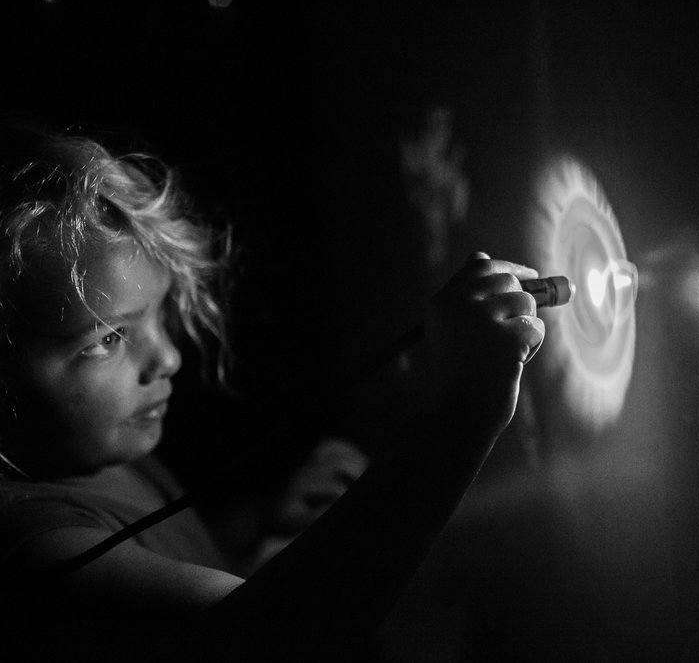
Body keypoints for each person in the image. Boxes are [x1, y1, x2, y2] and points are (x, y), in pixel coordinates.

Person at [0, 126, 544, 660]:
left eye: (158, 316)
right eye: (109, 338)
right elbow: (271, 639)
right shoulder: (34, 551)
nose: (167, 358)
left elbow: (161, 574)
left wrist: (260, 522)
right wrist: (460, 417)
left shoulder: (89, 451)